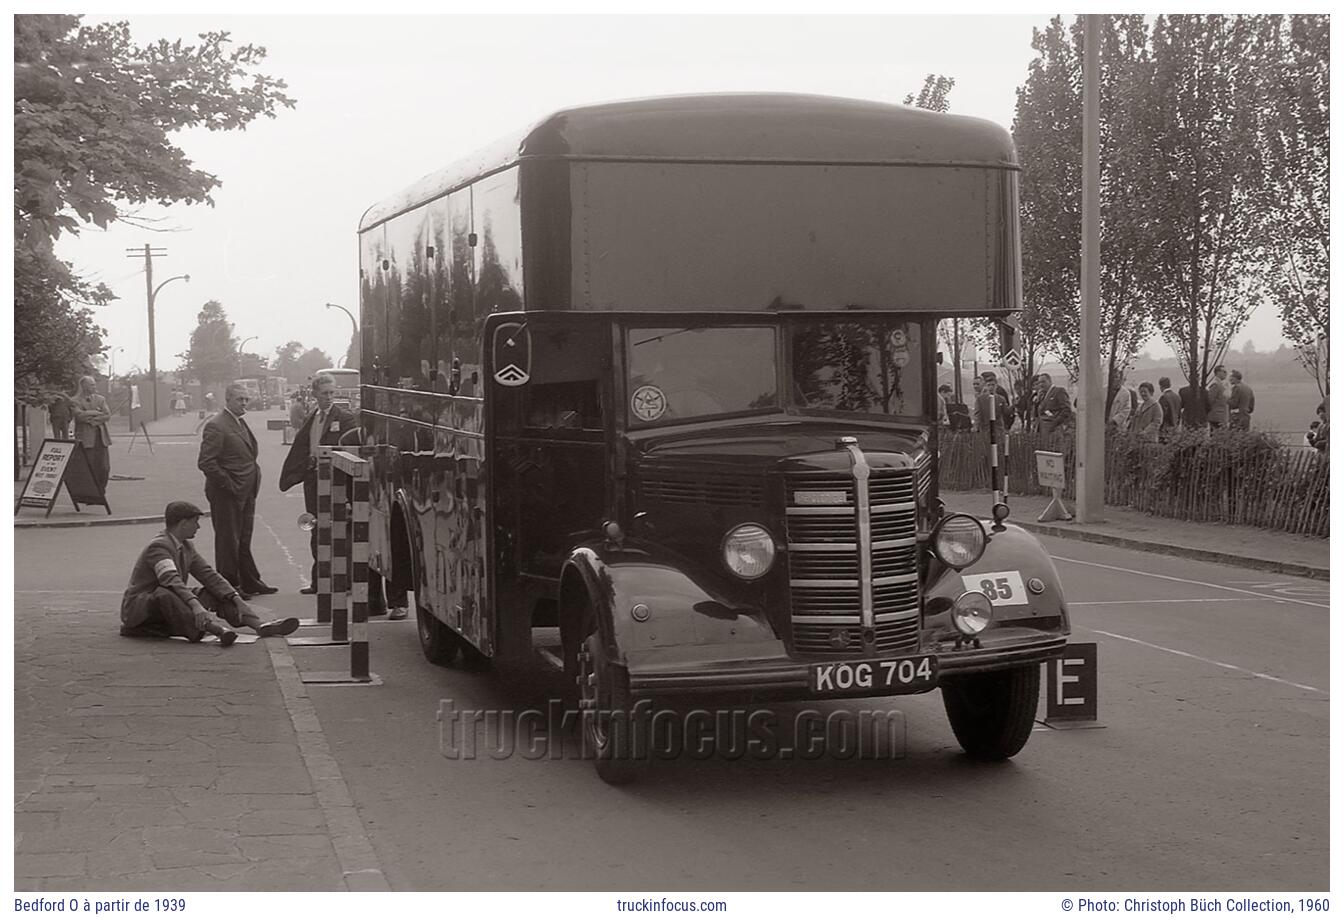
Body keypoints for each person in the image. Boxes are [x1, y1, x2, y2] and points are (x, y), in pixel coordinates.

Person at [120, 501, 299, 645]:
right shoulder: (159, 546)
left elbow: (209, 575)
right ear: (183, 524)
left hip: (171, 595)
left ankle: (258, 625)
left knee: (214, 591)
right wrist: (196, 605)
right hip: (142, 606)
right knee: (165, 594)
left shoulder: (186, 546)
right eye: (195, 523)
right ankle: (215, 630)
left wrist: (235, 598)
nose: (198, 527)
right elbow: (171, 580)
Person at [279, 374, 359, 596]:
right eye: (324, 393)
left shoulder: (345, 418)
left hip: (337, 482)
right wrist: (304, 466)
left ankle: (345, 581)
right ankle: (319, 580)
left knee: (340, 528)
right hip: (313, 481)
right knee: (316, 528)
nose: (329, 397)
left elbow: (350, 451)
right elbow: (303, 445)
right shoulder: (312, 417)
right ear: (315, 394)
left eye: (332, 392)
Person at [198, 383, 277, 598]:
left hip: (246, 491)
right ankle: (229, 586)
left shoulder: (239, 423)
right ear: (228, 400)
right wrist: (229, 484)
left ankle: (250, 581)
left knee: (243, 537)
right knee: (227, 541)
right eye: (239, 399)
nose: (244, 403)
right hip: (227, 493)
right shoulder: (217, 425)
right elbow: (206, 462)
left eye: (246, 399)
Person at [72, 375, 112, 493]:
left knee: (104, 468)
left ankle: (100, 490)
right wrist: (95, 412)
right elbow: (79, 416)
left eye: (94, 384)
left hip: (101, 439)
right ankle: (90, 492)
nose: (94, 387)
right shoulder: (75, 400)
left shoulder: (100, 399)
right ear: (84, 386)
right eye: (91, 384)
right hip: (85, 439)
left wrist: (92, 420)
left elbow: (107, 415)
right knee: (89, 467)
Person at [1207, 365, 1230, 429]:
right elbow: (1210, 400)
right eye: (1224, 372)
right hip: (1216, 417)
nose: (1226, 373)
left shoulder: (1222, 384)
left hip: (1222, 416)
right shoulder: (1215, 385)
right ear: (1218, 372)